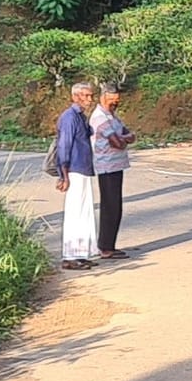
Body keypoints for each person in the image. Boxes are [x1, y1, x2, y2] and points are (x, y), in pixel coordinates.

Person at [89, 82, 136, 259]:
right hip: (106, 166)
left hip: (116, 165)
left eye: (117, 100)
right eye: (111, 101)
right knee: (110, 206)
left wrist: (123, 138)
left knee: (115, 206)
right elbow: (118, 142)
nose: (115, 104)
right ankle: (106, 247)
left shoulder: (112, 116)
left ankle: (109, 245)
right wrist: (124, 138)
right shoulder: (100, 117)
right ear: (103, 98)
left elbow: (129, 135)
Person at [54, 81, 98, 270]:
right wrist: (63, 175)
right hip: (74, 170)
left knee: (84, 212)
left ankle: (81, 253)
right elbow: (64, 146)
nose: (90, 99)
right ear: (75, 96)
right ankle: (70, 256)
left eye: (91, 95)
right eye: (86, 96)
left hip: (83, 169)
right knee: (75, 213)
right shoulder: (69, 117)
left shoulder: (80, 117)